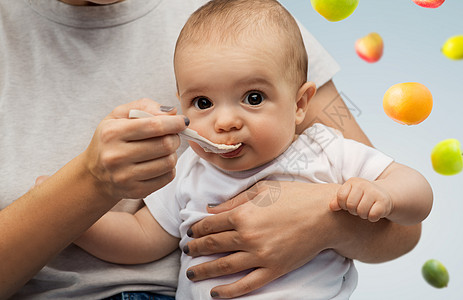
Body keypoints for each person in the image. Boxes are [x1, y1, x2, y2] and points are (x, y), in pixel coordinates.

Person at [0, 0, 430, 299]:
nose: (224, 121)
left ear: (300, 104)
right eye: (203, 104)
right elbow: (144, 237)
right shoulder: (190, 170)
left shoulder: (325, 149)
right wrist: (74, 205)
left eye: (254, 98)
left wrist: (374, 200)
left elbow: (409, 204)